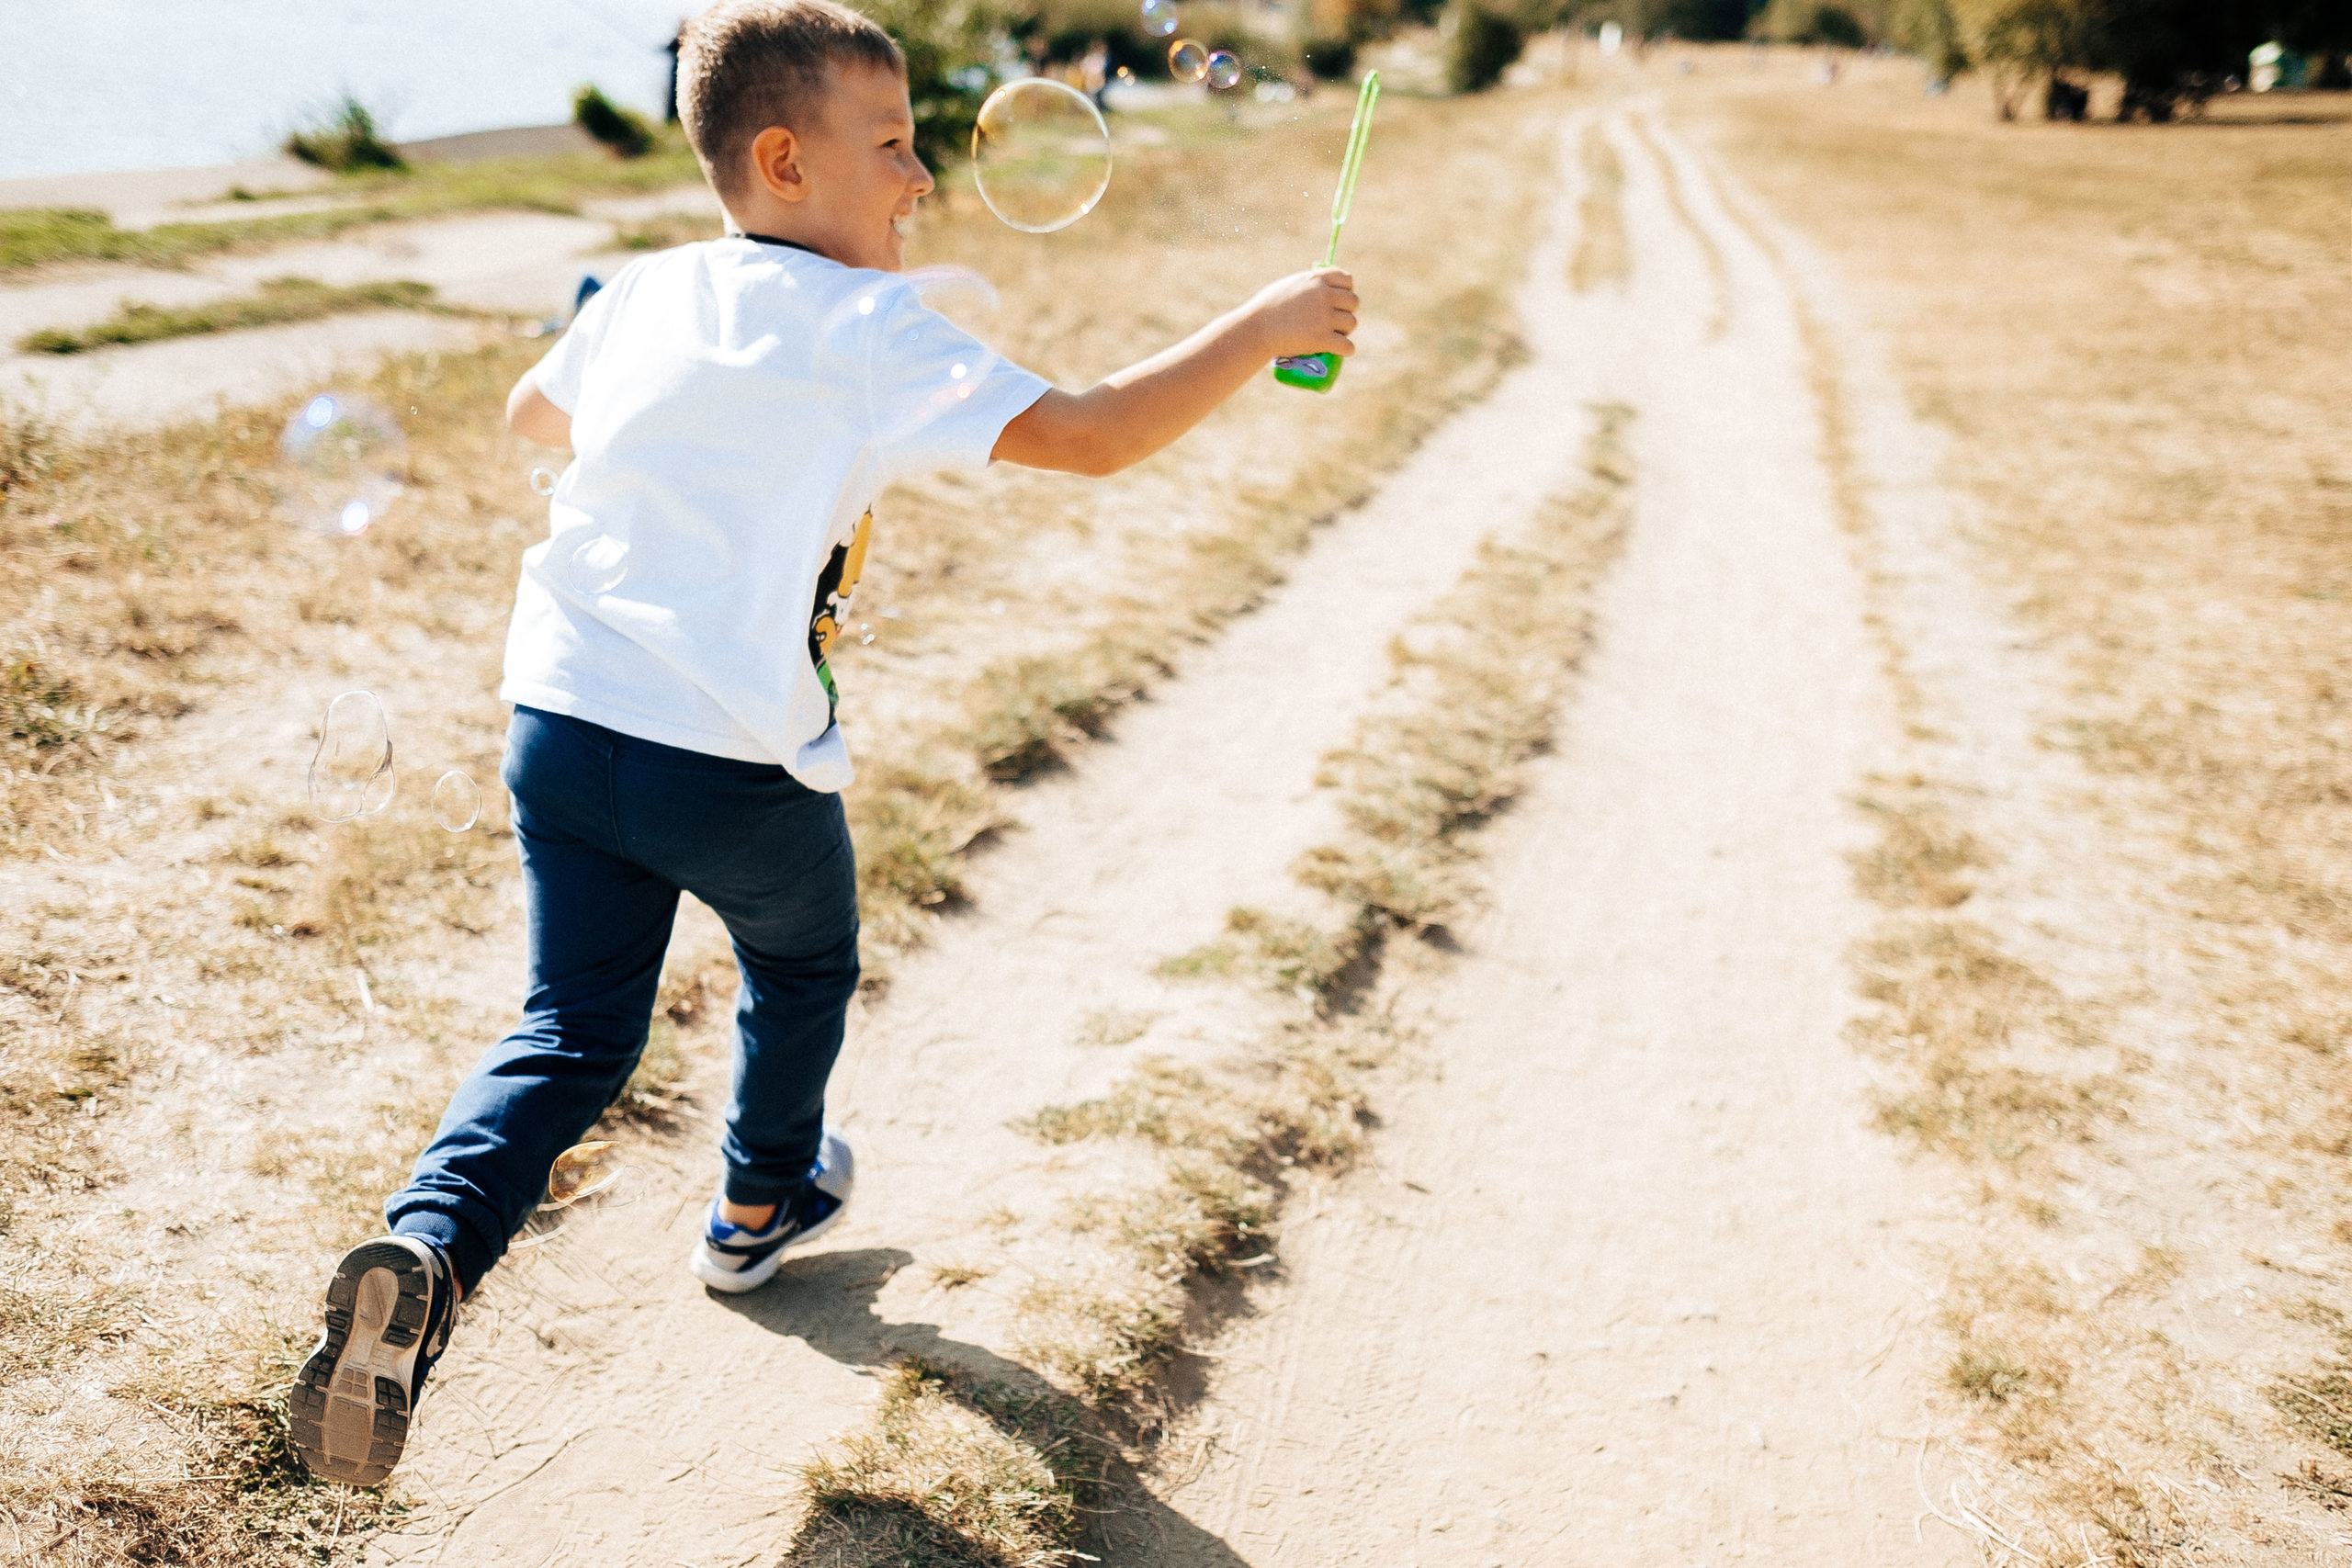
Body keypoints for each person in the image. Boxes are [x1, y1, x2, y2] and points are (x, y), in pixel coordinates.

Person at [288, 0, 1359, 1489]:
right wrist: (1271, 322)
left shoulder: (652, 288)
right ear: (787, 161)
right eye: (898, 146)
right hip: (724, 762)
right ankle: (755, 1208)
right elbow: (1098, 435)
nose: (923, 180)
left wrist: (686, 435)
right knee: (803, 965)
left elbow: (536, 413)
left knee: (571, 1031)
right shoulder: (869, 328)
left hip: (561, 720)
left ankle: (425, 1251)